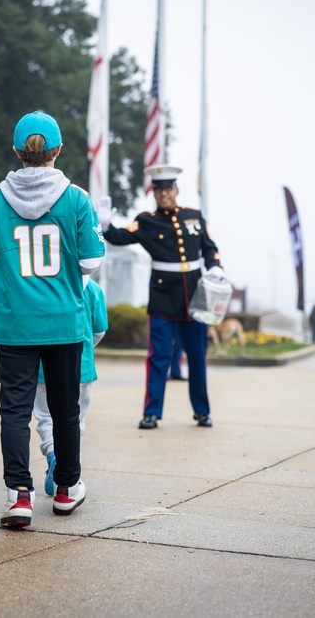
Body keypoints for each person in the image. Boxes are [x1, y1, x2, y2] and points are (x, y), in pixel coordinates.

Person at [0, 111, 104, 528]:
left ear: (16, 151)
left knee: (15, 410)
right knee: (65, 411)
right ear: (58, 150)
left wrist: (10, 274)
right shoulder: (77, 199)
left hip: (15, 323)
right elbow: (91, 259)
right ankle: (66, 489)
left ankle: (19, 496)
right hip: (64, 322)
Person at [99, 165, 224, 430]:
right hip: (163, 297)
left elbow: (210, 248)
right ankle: (151, 413)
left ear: (176, 190)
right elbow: (121, 237)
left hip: (194, 297)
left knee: (197, 356)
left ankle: (202, 411)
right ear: (154, 193)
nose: (164, 194)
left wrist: (214, 267)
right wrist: (107, 226)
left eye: (168, 189)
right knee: (158, 357)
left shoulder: (194, 216)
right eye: (159, 190)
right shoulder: (146, 221)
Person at [34, 276, 108, 496]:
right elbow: (99, 329)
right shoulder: (92, 288)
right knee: (74, 420)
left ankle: (52, 454)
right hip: (82, 367)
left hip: (41, 367)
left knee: (46, 417)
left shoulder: (40, 284)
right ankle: (68, 469)